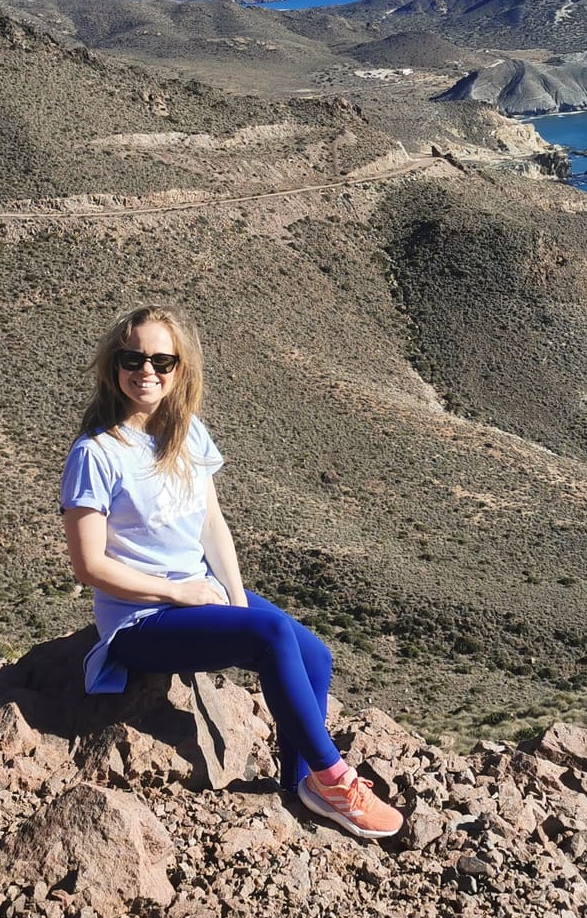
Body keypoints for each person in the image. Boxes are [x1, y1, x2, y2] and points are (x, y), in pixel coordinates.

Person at [59, 303, 404, 840]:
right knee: (270, 636)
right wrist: (180, 593)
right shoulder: (96, 453)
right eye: (133, 358)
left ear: (180, 369)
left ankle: (300, 785)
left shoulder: (187, 433)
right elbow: (89, 566)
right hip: (139, 622)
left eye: (162, 360)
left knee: (313, 651)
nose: (146, 370)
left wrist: (235, 602)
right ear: (113, 365)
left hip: (195, 593)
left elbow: (212, 526)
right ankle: (335, 779)